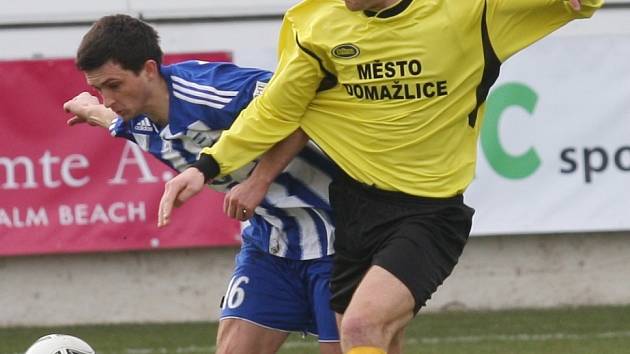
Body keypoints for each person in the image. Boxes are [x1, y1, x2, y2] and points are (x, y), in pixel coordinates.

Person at [158, 0, 604, 353]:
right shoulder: (315, 25)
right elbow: (278, 109)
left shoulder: (471, 11)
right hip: (353, 210)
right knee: (375, 339)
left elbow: (580, 4)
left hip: (428, 215)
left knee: (361, 324)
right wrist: (207, 166)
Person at [62, 14, 342, 354]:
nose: (108, 99)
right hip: (271, 244)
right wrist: (89, 109)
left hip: (340, 237)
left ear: (149, 70)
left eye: (114, 85)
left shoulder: (213, 90)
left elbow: (302, 103)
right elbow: (111, 119)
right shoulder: (136, 117)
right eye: (98, 89)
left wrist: (259, 180)